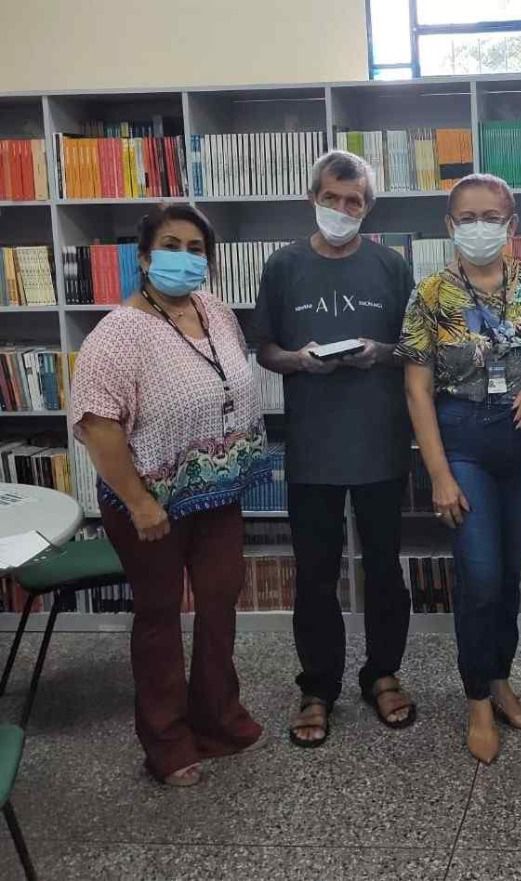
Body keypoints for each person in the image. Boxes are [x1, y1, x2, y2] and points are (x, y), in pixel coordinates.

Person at [73, 204, 268, 786]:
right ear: (144, 256)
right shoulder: (117, 334)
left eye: (195, 248)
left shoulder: (215, 312)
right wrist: (139, 502)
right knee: (159, 617)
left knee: (218, 604)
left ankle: (217, 718)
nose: (184, 258)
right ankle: (166, 741)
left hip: (218, 495)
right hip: (148, 504)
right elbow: (97, 425)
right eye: (171, 244)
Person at [399, 173, 521, 764]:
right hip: (463, 443)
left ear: (511, 224)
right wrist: (439, 473)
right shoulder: (431, 294)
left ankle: (501, 680)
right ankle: (476, 699)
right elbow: (417, 390)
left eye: (490, 216)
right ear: (450, 226)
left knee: (512, 572)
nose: (479, 227)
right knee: (481, 574)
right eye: (466, 217)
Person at [253, 150, 416, 747]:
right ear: (312, 198)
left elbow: (414, 348)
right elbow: (264, 346)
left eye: (355, 202)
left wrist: (382, 351)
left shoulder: (392, 267)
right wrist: (296, 361)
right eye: (332, 198)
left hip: (380, 443)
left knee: (384, 569)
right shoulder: (283, 267)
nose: (342, 210)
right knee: (315, 575)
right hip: (312, 448)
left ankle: (383, 674)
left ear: (368, 207)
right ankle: (317, 686)